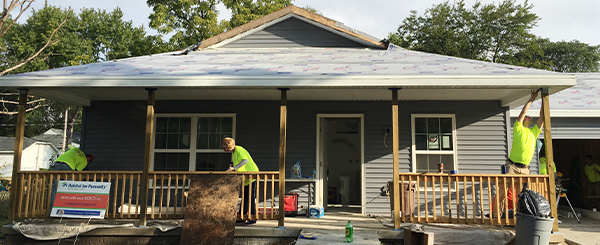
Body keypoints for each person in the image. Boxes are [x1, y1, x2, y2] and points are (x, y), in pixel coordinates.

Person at [492, 90, 544, 218]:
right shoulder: (518, 128)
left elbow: (542, 116)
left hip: (525, 169)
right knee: (503, 192)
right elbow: (523, 112)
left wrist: (543, 99)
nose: (529, 117)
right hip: (512, 167)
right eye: (528, 117)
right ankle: (496, 217)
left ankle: (521, 218)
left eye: (530, 117)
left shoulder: (534, 132)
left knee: (523, 194)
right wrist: (532, 98)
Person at [222, 137, 259, 225]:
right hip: (245, 177)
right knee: (245, 197)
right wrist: (232, 168)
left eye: (226, 148)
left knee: (250, 196)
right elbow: (236, 162)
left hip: (251, 175)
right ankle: (242, 216)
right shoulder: (234, 152)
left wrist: (234, 168)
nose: (226, 150)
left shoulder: (239, 149)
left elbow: (245, 160)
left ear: (229, 146)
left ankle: (253, 218)